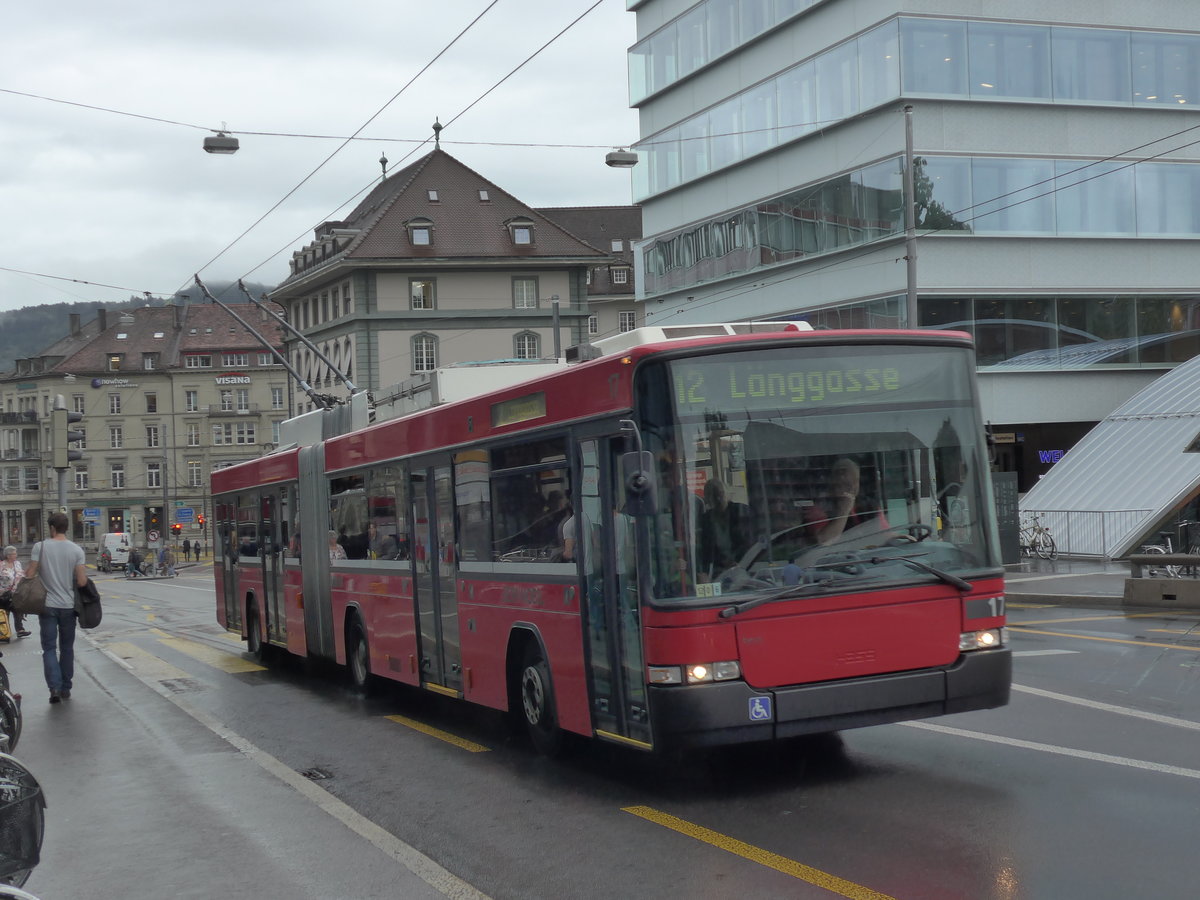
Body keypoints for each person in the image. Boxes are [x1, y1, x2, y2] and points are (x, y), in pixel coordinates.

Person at [26, 512, 87, 703]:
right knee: (67, 648)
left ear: (52, 528)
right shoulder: (76, 550)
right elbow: (82, 581)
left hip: (47, 605)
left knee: (49, 648)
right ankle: (66, 687)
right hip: (68, 606)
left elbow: (29, 574)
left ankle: (54, 687)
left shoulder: (40, 547)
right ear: (66, 527)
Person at [805, 458, 889, 546]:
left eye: (856, 482)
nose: (853, 488)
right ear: (833, 483)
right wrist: (844, 511)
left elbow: (885, 534)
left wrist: (897, 539)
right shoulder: (818, 508)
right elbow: (824, 541)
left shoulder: (869, 505)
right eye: (846, 484)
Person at [698, 479, 752, 578]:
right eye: (714, 496)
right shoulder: (706, 519)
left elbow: (748, 540)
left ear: (727, 493)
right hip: (718, 569)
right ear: (708, 499)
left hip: (745, 564)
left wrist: (738, 561)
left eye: (721, 493)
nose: (719, 499)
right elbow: (706, 550)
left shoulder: (740, 511)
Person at [0, 545, 27, 638]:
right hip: (3, 594)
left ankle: (20, 630)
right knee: (5, 613)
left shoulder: (17, 563)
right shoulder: (1, 565)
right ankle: (5, 631)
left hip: (16, 592)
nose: (16, 555)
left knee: (18, 611)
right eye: (14, 553)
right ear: (8, 555)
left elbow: (22, 574)